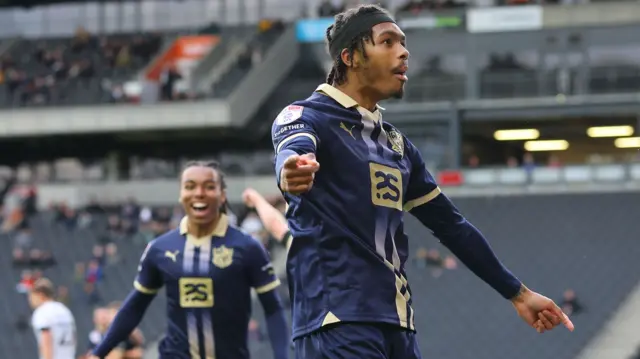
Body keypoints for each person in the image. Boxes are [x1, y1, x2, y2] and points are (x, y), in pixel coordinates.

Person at [271, 4, 575, 359]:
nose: (404, 52)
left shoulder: (396, 145)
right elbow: (293, 149)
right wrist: (291, 170)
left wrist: (518, 294)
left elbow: (451, 226)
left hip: (398, 324)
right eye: (388, 42)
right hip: (337, 321)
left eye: (404, 43)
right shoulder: (307, 116)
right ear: (350, 56)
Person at [89, 161, 289, 359]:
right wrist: (98, 353)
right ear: (181, 195)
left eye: (209, 187)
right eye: (190, 186)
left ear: (222, 195)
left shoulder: (247, 247)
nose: (199, 193)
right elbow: (135, 306)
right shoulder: (160, 249)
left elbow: (273, 309)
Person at [29, 278, 77, 359]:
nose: (30, 299)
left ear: (40, 294)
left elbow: (46, 339)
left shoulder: (42, 312)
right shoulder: (65, 310)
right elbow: (74, 338)